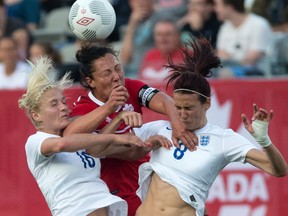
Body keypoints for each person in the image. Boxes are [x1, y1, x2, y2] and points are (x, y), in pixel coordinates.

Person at [132, 37, 287, 216]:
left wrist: (264, 141)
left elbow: (278, 170)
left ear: (207, 104)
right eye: (178, 107)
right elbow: (114, 146)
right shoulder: (160, 129)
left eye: (189, 108)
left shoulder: (222, 139)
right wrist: (123, 119)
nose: (181, 114)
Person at [63, 43, 197, 216]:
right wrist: (111, 108)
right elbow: (71, 137)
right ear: (90, 81)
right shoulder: (83, 108)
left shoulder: (129, 86)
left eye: (118, 69)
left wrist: (178, 127)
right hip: (115, 195)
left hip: (144, 185)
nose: (116, 77)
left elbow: (165, 101)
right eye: (107, 73)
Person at [18, 56, 156, 216]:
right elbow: (61, 145)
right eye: (54, 104)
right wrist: (115, 137)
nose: (63, 107)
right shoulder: (36, 142)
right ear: (36, 115)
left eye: (63, 101)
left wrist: (152, 142)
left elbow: (124, 152)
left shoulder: (83, 140)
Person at [214, 0, 273, 78]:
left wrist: (229, 58)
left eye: (217, 5)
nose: (214, 9)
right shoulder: (224, 27)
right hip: (227, 69)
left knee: (226, 73)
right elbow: (220, 54)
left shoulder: (259, 24)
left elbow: (252, 59)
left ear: (229, 7)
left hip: (257, 74)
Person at [138, 17, 183, 82]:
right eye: (159, 34)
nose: (163, 38)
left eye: (168, 34)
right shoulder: (150, 55)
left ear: (178, 36)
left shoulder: (188, 56)